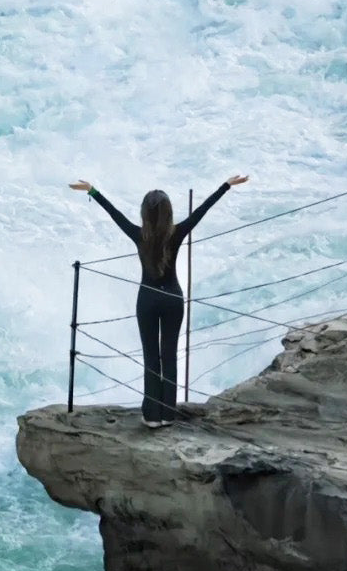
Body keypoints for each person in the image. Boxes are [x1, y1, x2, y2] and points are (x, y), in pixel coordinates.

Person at [69, 174, 249, 427]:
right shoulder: (177, 233)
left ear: (144, 213)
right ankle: (168, 413)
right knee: (170, 356)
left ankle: (152, 415)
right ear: (168, 213)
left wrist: (93, 190)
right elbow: (202, 210)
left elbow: (115, 214)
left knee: (151, 357)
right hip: (173, 298)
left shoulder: (138, 234)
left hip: (148, 300)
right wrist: (226, 186)